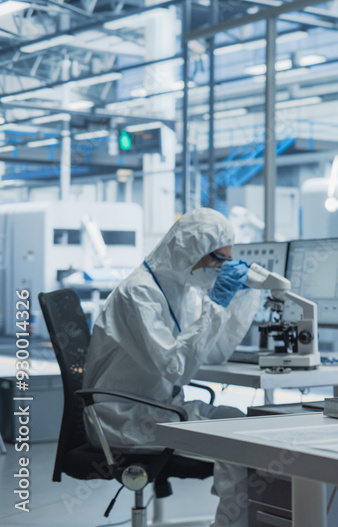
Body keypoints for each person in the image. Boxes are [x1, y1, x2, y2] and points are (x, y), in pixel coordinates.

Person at [83, 207, 260, 527]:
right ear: (190, 251)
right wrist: (216, 304)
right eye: (217, 259)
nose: (221, 268)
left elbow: (214, 352)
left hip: (157, 408)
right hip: (122, 417)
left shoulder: (186, 291)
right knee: (240, 444)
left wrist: (235, 302)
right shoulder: (139, 293)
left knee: (244, 425)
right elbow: (177, 368)